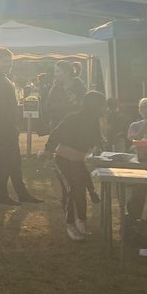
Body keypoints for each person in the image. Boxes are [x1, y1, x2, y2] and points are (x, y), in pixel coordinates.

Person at [39, 91, 106, 241]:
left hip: (78, 162)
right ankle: (70, 225)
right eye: (102, 105)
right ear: (94, 106)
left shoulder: (94, 122)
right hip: (63, 161)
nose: (104, 109)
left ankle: (81, 221)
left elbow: (97, 140)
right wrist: (48, 151)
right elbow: (56, 133)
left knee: (80, 191)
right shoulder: (73, 118)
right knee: (69, 191)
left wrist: (98, 147)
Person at [0, 47, 43, 207]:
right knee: (4, 161)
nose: (8, 64)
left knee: (14, 161)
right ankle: (2, 195)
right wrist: (8, 123)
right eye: (4, 61)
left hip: (8, 126)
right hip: (2, 126)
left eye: (9, 61)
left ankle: (22, 193)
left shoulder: (4, 78)